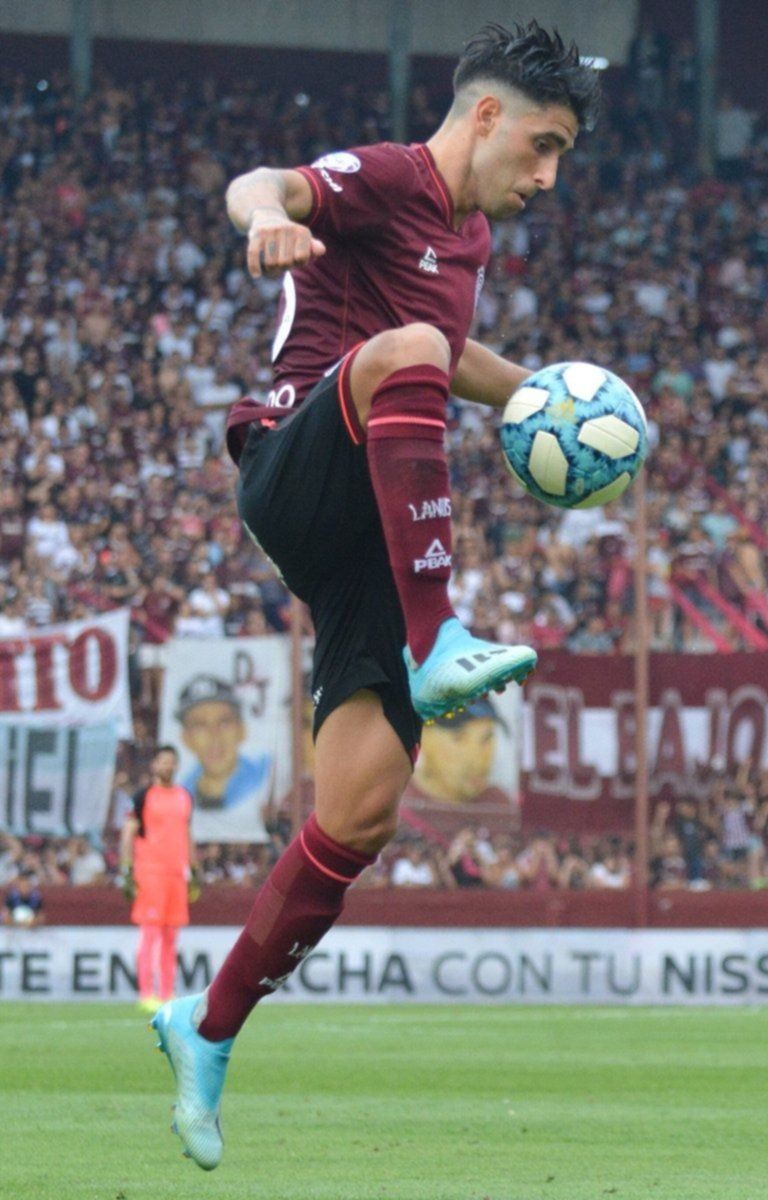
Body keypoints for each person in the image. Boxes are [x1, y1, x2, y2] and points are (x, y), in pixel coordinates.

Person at [151, 22, 601, 1171]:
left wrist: (555, 398)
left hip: (362, 539)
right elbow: (266, 182)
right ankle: (438, 637)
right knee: (404, 351)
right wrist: (265, 219)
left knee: (359, 811)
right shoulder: (395, 177)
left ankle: (206, 1028)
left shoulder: (469, 235)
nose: (548, 176)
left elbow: (446, 356)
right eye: (544, 145)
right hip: (294, 465)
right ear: (487, 116)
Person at [120, 745, 199, 1014]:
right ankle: (146, 993)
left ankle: (167, 992)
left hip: (177, 874)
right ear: (154, 765)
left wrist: (194, 869)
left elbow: (187, 833)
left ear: (176, 766)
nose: (167, 766)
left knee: (171, 935)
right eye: (163, 761)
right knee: (150, 933)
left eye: (171, 762)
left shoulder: (184, 796)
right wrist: (126, 869)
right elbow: (128, 833)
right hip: (150, 872)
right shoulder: (143, 796)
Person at [174, 674, 272, 842]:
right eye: (200, 725)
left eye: (224, 722)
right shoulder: (181, 792)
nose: (214, 736)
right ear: (186, 738)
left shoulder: (264, 774)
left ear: (241, 730)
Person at [401, 697, 517, 834]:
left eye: (486, 738)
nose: (477, 761)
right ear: (423, 736)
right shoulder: (394, 806)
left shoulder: (498, 806)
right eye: (459, 738)